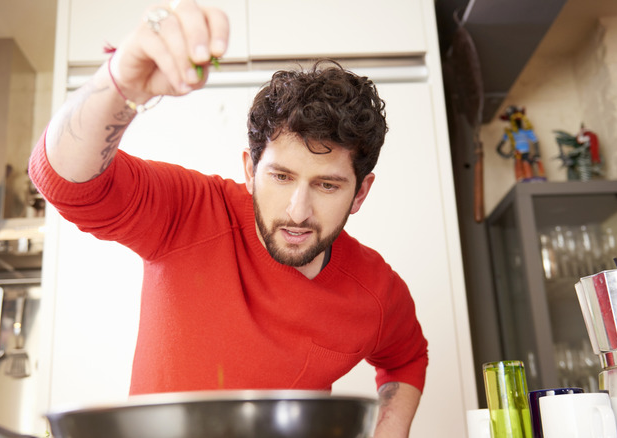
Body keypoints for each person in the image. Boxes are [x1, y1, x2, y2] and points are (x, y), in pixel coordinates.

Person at [28, 1, 428, 436]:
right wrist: (122, 80)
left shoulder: (376, 292)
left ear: (360, 193)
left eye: (327, 185)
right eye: (280, 176)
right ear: (250, 171)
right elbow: (64, 182)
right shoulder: (190, 211)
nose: (298, 210)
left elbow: (406, 358)